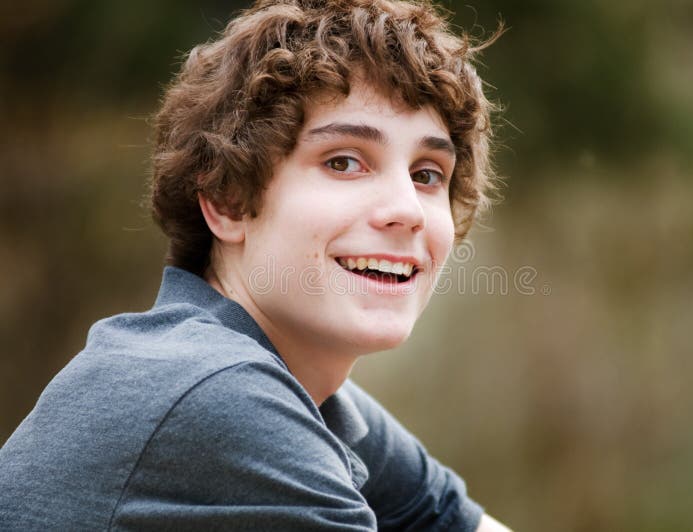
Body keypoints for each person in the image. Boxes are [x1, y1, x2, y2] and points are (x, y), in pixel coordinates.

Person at [0, 0, 510, 530]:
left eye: (428, 174)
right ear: (227, 200)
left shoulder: (313, 397)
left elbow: (452, 519)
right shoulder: (216, 394)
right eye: (343, 162)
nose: (407, 209)